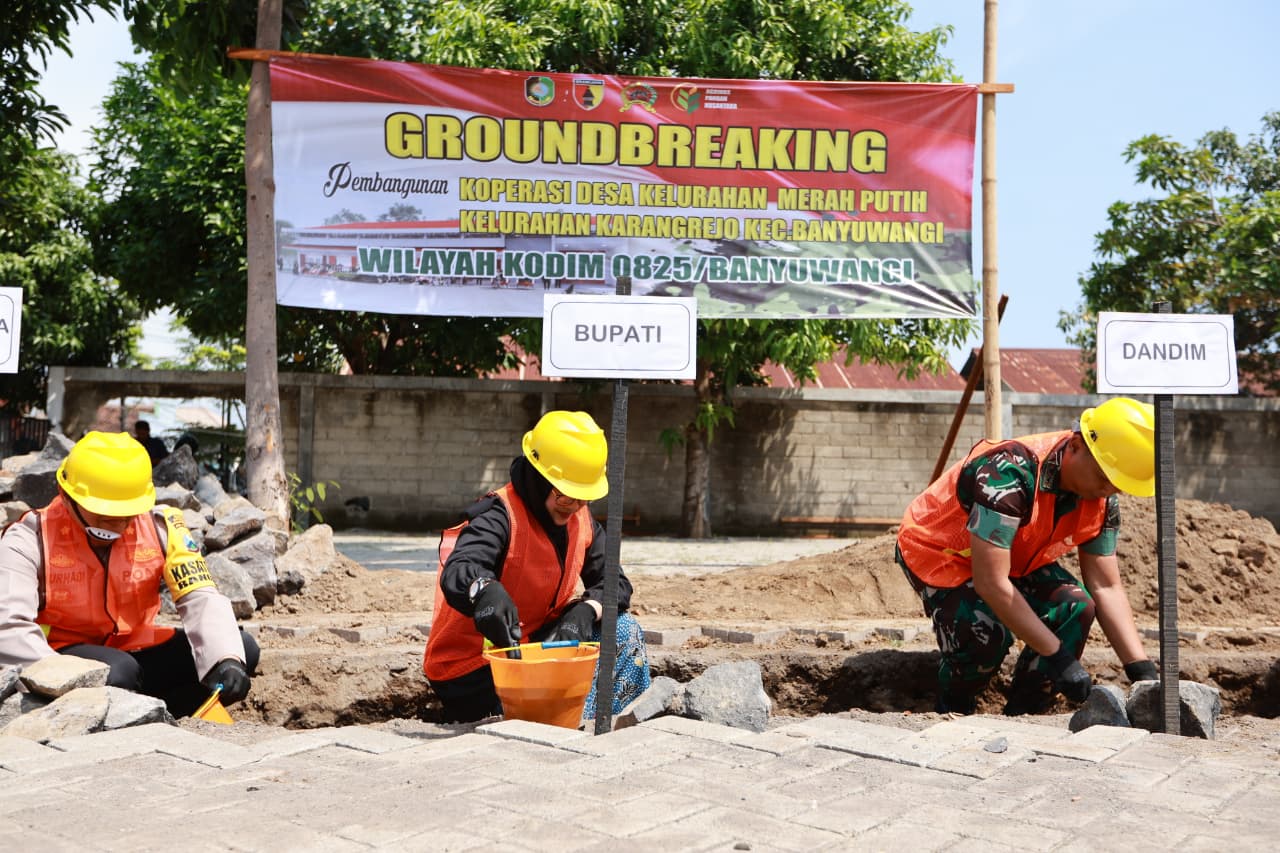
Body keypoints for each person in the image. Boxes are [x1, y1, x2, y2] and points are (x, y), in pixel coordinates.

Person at [896, 397, 1160, 716]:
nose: (1108, 491)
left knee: (1076, 607)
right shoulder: (1008, 473)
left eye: (1118, 486)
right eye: (1104, 478)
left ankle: (1026, 714)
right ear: (1075, 446)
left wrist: (1141, 671)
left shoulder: (1101, 499)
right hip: (940, 552)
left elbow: (1105, 586)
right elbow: (991, 583)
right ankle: (953, 706)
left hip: (1009, 556)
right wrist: (1060, 658)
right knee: (984, 631)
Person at [0, 431, 257, 716]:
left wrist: (226, 659)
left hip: (135, 647)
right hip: (62, 653)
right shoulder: (30, 538)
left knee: (240, 649)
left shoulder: (162, 529)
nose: (117, 526)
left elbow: (200, 596)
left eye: (126, 515)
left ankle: (166, 716)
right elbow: (9, 626)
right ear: (67, 497)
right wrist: (55, 678)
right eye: (104, 516)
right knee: (119, 672)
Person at [424, 410, 652, 723]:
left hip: (536, 650)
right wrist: (484, 591)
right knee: (549, 706)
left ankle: (606, 726)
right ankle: (564, 724)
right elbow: (461, 567)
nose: (573, 509)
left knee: (625, 631)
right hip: (474, 668)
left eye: (582, 499)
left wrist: (586, 611)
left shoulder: (580, 520)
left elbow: (616, 583)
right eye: (565, 498)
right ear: (539, 478)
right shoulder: (499, 516)